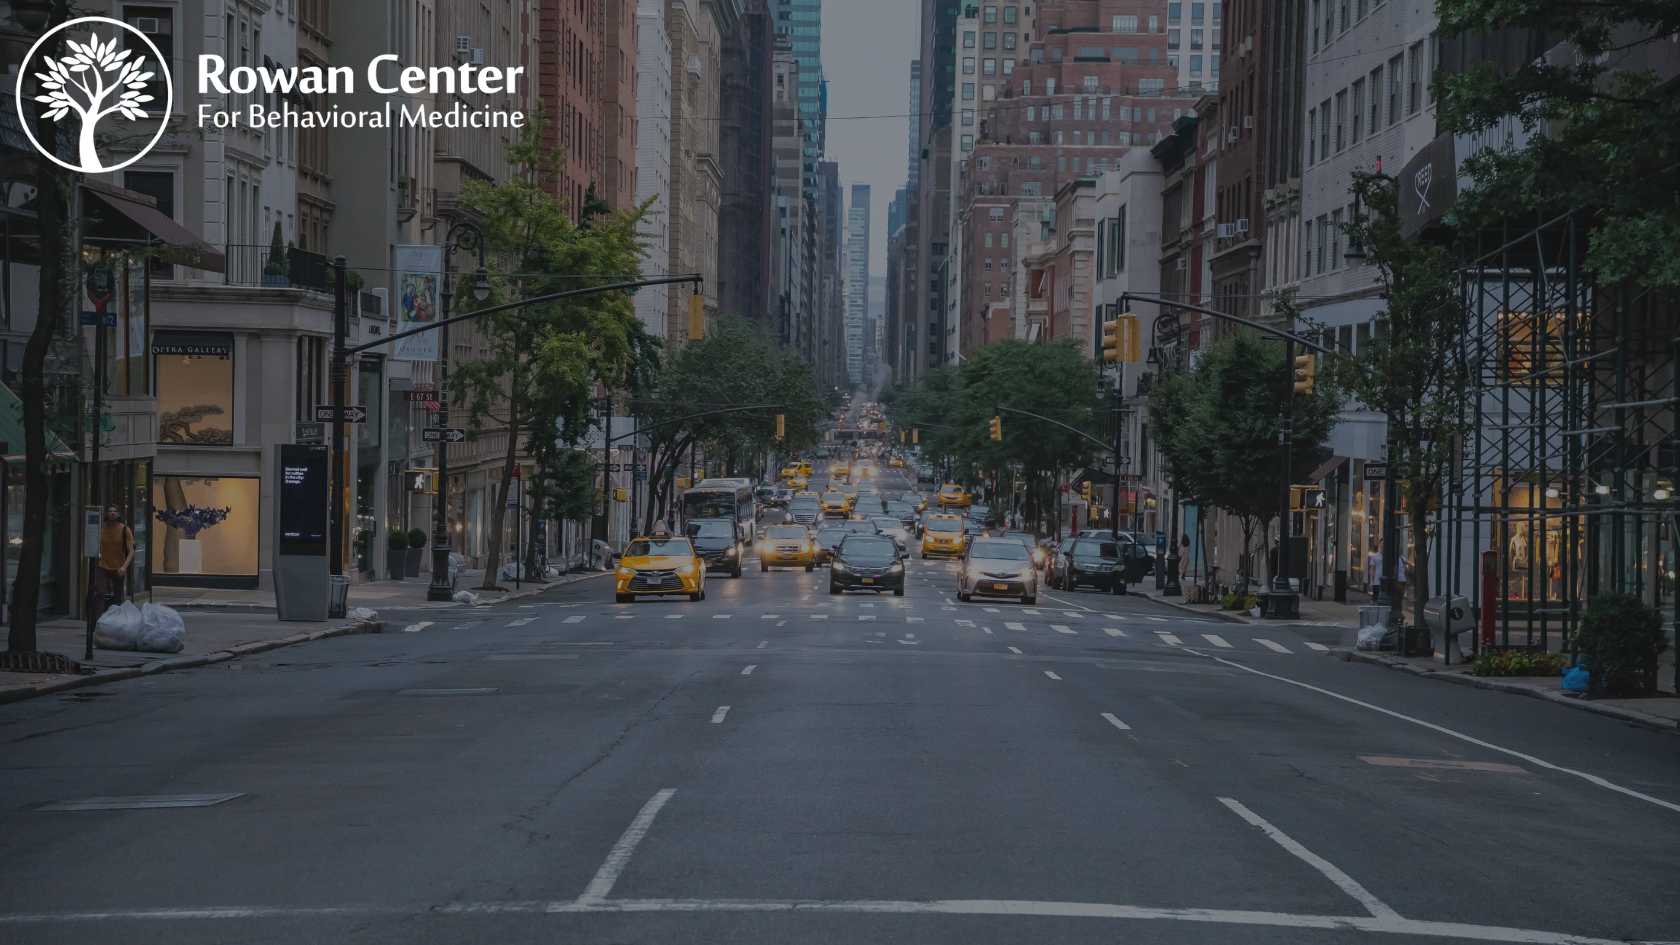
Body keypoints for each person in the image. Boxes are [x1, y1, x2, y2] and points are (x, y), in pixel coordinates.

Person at [96, 506, 135, 613]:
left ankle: (117, 617)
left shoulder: (125, 530)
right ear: (107, 514)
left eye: (115, 511)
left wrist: (124, 567)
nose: (112, 513)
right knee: (100, 592)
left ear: (118, 514)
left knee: (118, 596)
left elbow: (131, 551)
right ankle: (100, 617)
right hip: (103, 565)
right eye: (110, 511)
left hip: (118, 567)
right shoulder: (102, 529)